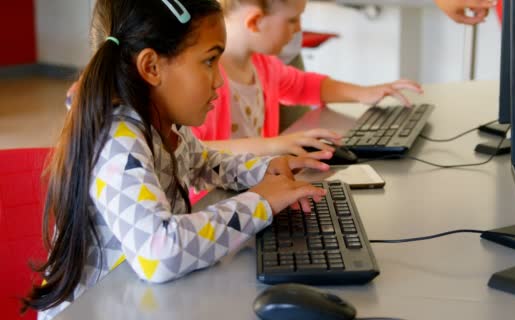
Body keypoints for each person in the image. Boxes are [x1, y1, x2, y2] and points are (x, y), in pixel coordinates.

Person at [22, 1, 330, 319]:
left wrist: (266, 169)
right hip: (99, 308)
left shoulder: (164, 123)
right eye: (210, 61)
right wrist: (261, 202)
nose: (219, 81)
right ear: (152, 67)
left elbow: (206, 163)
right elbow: (159, 250)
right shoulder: (116, 137)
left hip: (142, 299)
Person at [191, 0, 423, 157]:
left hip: (251, 189)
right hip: (212, 205)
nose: (298, 29)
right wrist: (275, 146)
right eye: (292, 20)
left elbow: (305, 85)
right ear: (255, 22)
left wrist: (363, 93)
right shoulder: (202, 82)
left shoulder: (263, 66)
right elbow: (193, 153)